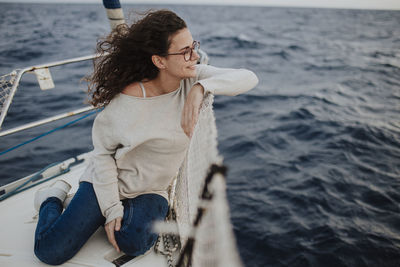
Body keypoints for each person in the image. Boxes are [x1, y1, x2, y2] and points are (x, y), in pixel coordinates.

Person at [33, 9, 258, 265]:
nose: (194, 56)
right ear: (160, 61)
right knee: (50, 252)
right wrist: (111, 210)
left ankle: (111, 213)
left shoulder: (192, 78)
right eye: (185, 50)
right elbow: (103, 155)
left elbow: (249, 77)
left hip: (152, 189)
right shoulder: (128, 100)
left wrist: (200, 89)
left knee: (134, 243)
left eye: (194, 46)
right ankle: (51, 197)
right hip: (108, 181)